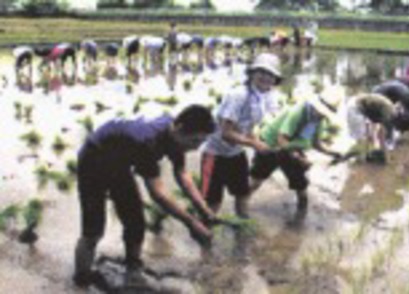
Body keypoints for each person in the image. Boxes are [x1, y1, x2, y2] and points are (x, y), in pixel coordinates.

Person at [73, 105, 218, 288]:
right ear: (179, 129)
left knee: (135, 221)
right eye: (194, 141)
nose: (196, 147)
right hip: (93, 160)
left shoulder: (175, 136)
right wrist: (191, 222)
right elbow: (158, 193)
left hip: (120, 164)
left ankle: (133, 266)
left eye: (201, 142)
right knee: (93, 230)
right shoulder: (147, 141)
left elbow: (182, 173)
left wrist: (203, 209)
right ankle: (81, 279)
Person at [200, 53, 282, 218]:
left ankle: (243, 228)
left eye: (271, 74)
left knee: (242, 194)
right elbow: (226, 133)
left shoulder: (264, 97)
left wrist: (258, 140)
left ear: (275, 80)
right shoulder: (238, 95)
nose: (266, 77)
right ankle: (205, 234)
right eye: (262, 72)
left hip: (236, 152)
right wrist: (255, 145)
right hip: (215, 153)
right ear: (252, 73)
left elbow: (248, 125)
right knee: (213, 202)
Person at [249, 87, 343, 212]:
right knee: (257, 180)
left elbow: (316, 143)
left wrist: (332, 153)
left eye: (325, 113)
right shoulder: (297, 112)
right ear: (315, 106)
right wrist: (299, 158)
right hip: (270, 145)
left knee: (301, 183)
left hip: (291, 148)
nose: (322, 115)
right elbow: (282, 140)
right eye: (321, 111)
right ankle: (240, 206)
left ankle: (301, 215)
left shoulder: (318, 121)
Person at [346, 93, 406, 162]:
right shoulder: (388, 113)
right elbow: (382, 134)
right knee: (360, 137)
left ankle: (365, 156)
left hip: (358, 105)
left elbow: (373, 124)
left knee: (366, 135)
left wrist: (372, 136)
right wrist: (385, 152)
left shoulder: (388, 111)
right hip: (355, 108)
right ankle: (360, 159)